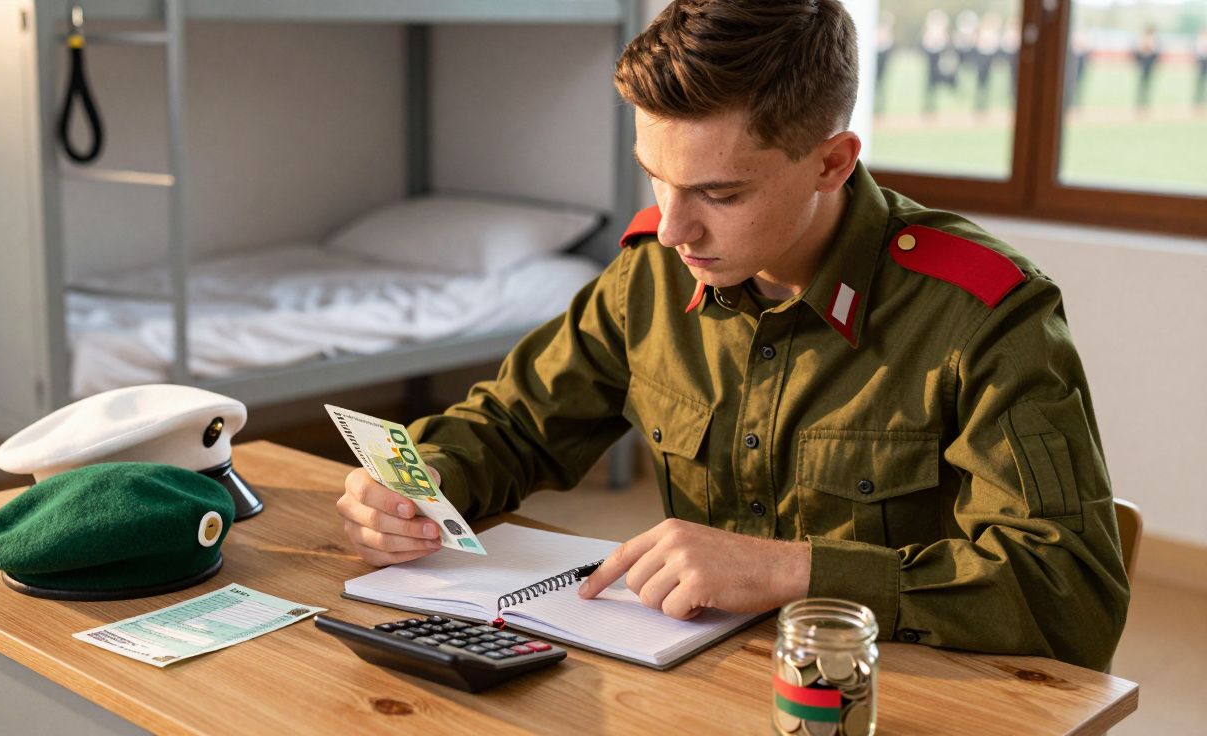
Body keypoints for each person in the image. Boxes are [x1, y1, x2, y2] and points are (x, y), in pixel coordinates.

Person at [335, 0, 1130, 671]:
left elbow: (1073, 591)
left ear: (832, 163)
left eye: (719, 192)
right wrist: (422, 481)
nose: (675, 227)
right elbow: (511, 426)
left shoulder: (982, 314)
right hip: (699, 682)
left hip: (893, 697)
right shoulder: (652, 273)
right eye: (657, 176)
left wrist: (794, 571)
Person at [1133, 25, 1161, 111]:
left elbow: (1156, 53)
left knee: (1147, 85)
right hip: (1143, 64)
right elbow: (1137, 52)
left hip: (1150, 64)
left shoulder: (1154, 41)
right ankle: (1140, 103)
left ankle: (1145, 104)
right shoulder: (1142, 40)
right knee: (1142, 85)